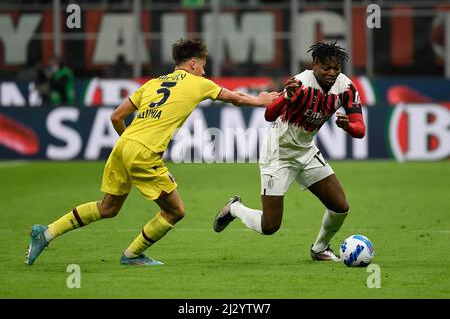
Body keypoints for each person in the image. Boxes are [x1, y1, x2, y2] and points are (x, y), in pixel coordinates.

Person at [26, 38, 277, 266]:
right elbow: (236, 98)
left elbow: (116, 116)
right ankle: (132, 255)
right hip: (144, 152)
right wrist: (262, 100)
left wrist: (129, 143)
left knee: (108, 208)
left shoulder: (153, 83)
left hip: (124, 145)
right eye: (202, 65)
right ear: (191, 64)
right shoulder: (198, 83)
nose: (204, 70)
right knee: (175, 211)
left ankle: (46, 233)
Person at [213, 42, 366, 261]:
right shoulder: (301, 83)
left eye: (336, 68)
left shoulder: (346, 87)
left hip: (306, 151)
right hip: (278, 152)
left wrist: (347, 126)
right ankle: (235, 208)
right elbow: (269, 116)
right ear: (314, 65)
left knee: (340, 207)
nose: (332, 73)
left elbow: (360, 130)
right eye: (326, 68)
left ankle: (320, 249)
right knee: (270, 226)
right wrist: (286, 97)